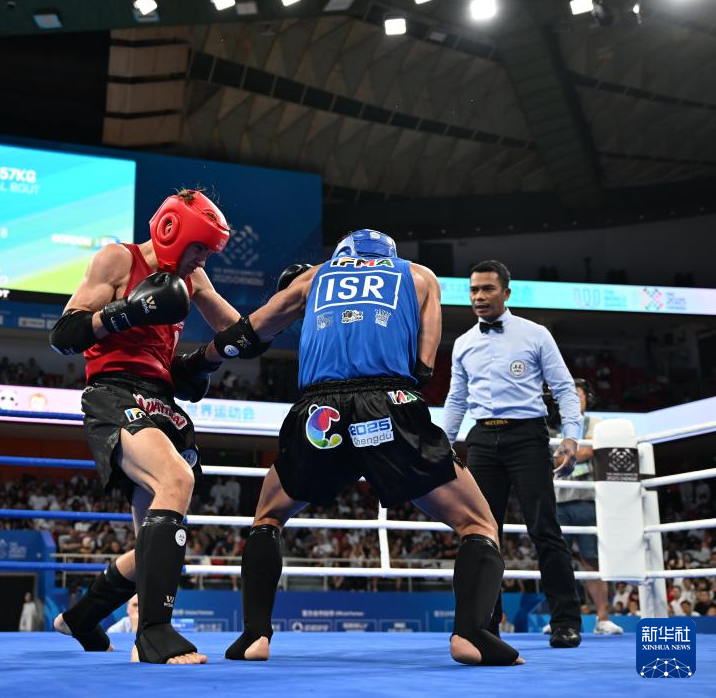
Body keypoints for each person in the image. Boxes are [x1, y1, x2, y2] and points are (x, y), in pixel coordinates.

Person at [201, 229, 521, 666]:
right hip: (388, 405)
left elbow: (250, 332)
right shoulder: (420, 276)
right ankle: (471, 635)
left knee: (268, 517)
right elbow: (424, 367)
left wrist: (201, 360)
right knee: (478, 523)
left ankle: (254, 636)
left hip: (318, 414)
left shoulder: (313, 277)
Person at [48, 189, 243, 665]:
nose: (202, 259)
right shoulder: (118, 259)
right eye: (199, 248)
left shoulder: (192, 278)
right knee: (176, 478)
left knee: (151, 550)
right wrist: (128, 310)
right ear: (172, 231)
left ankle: (81, 618)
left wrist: (281, 313)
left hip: (161, 401)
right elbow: (63, 335)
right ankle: (154, 634)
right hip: (114, 392)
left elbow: (239, 331)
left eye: (208, 252)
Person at [444, 260, 583, 648]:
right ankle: (485, 626)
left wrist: (571, 437)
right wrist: (443, 444)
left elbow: (564, 388)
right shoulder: (463, 343)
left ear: (506, 292)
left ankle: (566, 621)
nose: (479, 296)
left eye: (487, 289)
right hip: (481, 440)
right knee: (482, 533)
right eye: (473, 290)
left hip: (527, 437)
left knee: (544, 529)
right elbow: (456, 399)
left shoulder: (535, 334)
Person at [551, 378, 623, 635]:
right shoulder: (551, 427)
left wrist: (567, 453)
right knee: (557, 560)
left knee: (592, 560)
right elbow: (554, 460)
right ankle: (560, 618)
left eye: (578, 395)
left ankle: (603, 618)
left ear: (586, 399)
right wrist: (572, 452)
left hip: (588, 500)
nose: (573, 399)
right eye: (568, 395)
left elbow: (585, 452)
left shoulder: (595, 423)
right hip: (559, 501)